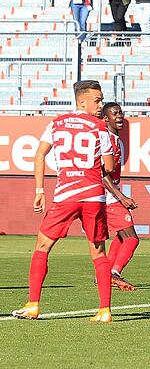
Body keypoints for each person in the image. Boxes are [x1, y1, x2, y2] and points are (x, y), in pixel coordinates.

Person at [12, 80, 115, 322]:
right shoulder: (101, 127)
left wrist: (40, 190)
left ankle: (33, 304)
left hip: (66, 195)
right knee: (98, 252)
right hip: (93, 196)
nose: (101, 105)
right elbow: (108, 167)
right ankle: (104, 310)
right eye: (97, 100)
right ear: (83, 101)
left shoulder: (55, 124)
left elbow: (39, 154)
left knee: (42, 247)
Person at [101, 102, 140, 292]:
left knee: (122, 236)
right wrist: (121, 197)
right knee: (131, 238)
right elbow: (102, 173)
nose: (119, 117)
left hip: (110, 195)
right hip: (108, 196)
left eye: (121, 113)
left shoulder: (115, 140)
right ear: (105, 118)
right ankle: (113, 273)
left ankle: (105, 273)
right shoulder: (106, 138)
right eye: (114, 114)